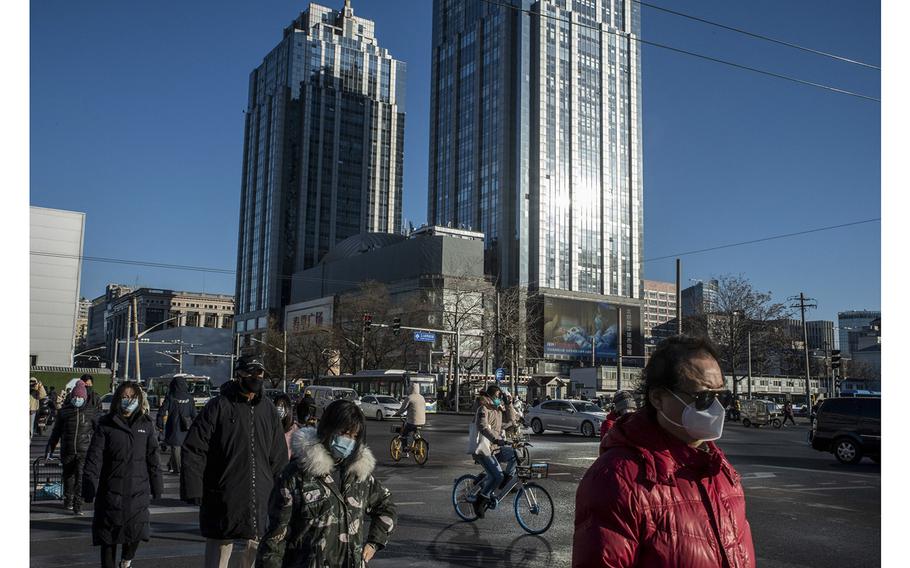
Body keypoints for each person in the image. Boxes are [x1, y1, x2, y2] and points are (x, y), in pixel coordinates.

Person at [573, 336, 755, 567]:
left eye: (722, 396)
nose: (716, 408)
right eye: (703, 397)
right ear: (658, 398)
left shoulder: (721, 471)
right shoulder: (615, 479)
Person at [258, 400, 398, 567]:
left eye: (354, 436)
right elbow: (274, 540)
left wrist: (374, 543)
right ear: (327, 429)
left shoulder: (359, 475)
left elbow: (387, 507)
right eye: (344, 433)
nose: (349, 441)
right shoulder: (295, 476)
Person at [181, 356, 289, 568]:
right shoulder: (218, 406)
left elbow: (278, 455)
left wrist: (283, 491)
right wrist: (194, 489)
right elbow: (194, 448)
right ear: (238, 375)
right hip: (223, 493)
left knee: (255, 547)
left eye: (260, 373)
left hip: (261, 494)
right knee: (220, 545)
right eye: (250, 372)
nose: (256, 377)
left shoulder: (268, 410)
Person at [82, 381, 162, 568]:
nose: (128, 401)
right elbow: (94, 458)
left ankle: (126, 560)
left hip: (138, 492)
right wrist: (88, 485)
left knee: (136, 532)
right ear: (118, 399)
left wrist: (157, 486)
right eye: (125, 397)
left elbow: (153, 457)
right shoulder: (105, 425)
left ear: (139, 400)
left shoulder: (146, 425)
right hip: (110, 492)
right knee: (108, 538)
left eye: (132, 397)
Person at [46, 379, 95, 514]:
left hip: (83, 451)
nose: (77, 399)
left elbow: (98, 432)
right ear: (72, 397)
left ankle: (77, 505)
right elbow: (56, 432)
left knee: (80, 477)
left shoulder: (90, 413)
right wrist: (50, 447)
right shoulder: (64, 413)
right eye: (75, 397)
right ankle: (68, 500)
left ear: (84, 398)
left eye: (80, 397)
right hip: (67, 450)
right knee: (68, 477)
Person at [467, 385, 517, 519]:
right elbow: (482, 427)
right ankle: (480, 500)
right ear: (489, 396)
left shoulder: (498, 410)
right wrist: (495, 439)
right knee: (497, 476)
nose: (498, 398)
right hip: (483, 449)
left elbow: (512, 420)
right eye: (497, 396)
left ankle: (505, 480)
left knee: (515, 454)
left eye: (500, 396)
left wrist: (509, 403)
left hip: (494, 448)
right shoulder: (483, 408)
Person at [155, 375, 197, 474]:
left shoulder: (171, 397)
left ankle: (177, 469)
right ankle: (172, 465)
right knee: (180, 447)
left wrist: (160, 424)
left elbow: (162, 411)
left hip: (173, 426)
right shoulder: (189, 398)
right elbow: (194, 414)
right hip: (186, 427)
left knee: (175, 447)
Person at [598, 390, 637, 456]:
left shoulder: (635, 422)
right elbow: (607, 445)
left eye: (632, 409)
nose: (629, 412)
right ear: (619, 410)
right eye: (626, 409)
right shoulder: (609, 423)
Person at [394, 383, 426, 455]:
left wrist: (397, 413)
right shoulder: (422, 397)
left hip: (413, 421)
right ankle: (417, 442)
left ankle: (405, 448)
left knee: (404, 434)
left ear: (411, 389)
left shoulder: (409, 397)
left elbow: (403, 408)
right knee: (415, 432)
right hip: (422, 421)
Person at [274, 393, 298, 460]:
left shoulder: (294, 430)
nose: (279, 408)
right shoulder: (270, 427)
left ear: (288, 408)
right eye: (277, 405)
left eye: (282, 405)